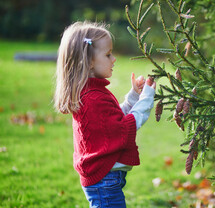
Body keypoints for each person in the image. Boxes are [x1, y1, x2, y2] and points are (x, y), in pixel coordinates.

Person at [54, 21, 156, 207]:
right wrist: (146, 99)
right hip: (105, 181)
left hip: (104, 179)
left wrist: (134, 96)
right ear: (89, 61)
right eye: (108, 55)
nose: (114, 59)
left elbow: (113, 121)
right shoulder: (93, 98)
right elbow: (124, 129)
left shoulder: (91, 93)